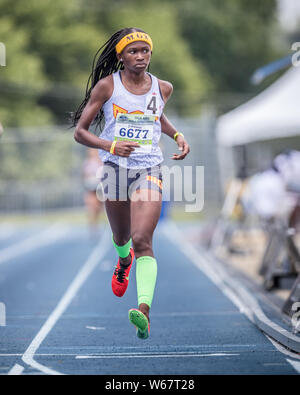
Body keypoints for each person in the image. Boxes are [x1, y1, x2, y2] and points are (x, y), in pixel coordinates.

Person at [72, 27, 190, 339]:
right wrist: (110, 146)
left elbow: (157, 117)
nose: (140, 57)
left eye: (145, 51)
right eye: (133, 51)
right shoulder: (106, 87)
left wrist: (177, 135)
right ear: (121, 56)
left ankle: (144, 312)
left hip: (149, 167)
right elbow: (80, 132)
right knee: (122, 238)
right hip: (114, 169)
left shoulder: (163, 88)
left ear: (151, 54)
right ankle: (123, 261)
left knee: (142, 240)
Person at [82, 147, 104, 237]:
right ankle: (93, 225)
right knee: (91, 206)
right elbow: (84, 175)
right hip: (90, 187)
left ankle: (99, 221)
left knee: (99, 207)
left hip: (99, 187)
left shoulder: (100, 162)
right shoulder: (87, 163)